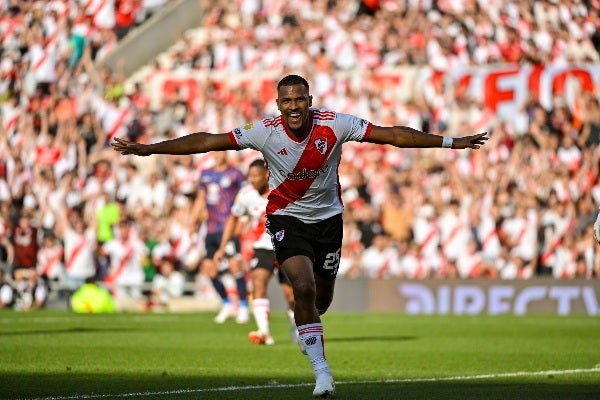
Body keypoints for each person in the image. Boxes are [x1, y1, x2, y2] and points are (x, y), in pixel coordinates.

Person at [112, 74, 488, 398]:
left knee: (321, 297)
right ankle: (322, 371)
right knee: (303, 288)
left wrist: (451, 142)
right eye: (286, 100)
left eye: (300, 99)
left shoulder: (336, 124)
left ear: (310, 101)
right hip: (285, 219)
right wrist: (150, 149)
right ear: (277, 104)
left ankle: (310, 326)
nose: (294, 106)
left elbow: (394, 136)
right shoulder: (263, 132)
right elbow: (207, 141)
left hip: (329, 221)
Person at [213, 158, 296, 346]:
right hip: (263, 247)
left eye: (255, 176)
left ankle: (294, 325)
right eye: (249, 176)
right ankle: (264, 332)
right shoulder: (246, 194)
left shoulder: (283, 191)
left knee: (291, 296)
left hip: (287, 247)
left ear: (267, 176)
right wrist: (222, 247)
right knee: (258, 282)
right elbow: (233, 218)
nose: (251, 180)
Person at [190, 151, 248, 324]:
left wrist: (242, 221)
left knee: (234, 264)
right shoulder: (205, 174)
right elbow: (201, 199)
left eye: (220, 150)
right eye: (214, 151)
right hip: (212, 228)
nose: (217, 154)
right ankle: (226, 304)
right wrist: (192, 221)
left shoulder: (235, 173)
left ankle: (243, 307)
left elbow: (244, 197)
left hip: (228, 228)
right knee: (209, 268)